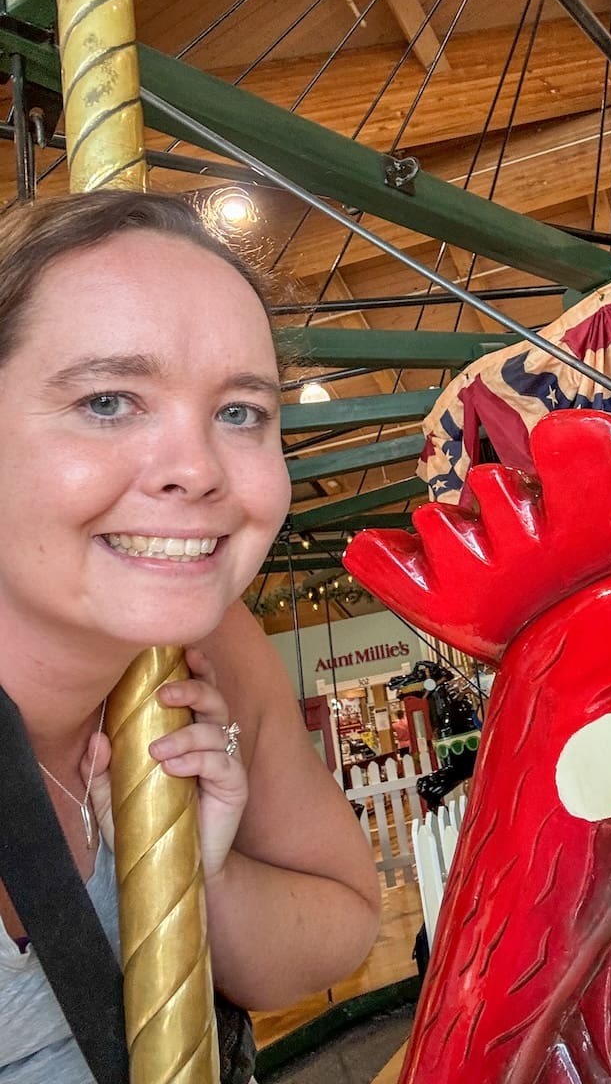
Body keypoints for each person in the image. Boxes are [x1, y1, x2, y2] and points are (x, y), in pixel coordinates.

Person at [0, 190, 381, 1081]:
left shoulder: (208, 646)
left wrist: (194, 877)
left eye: (241, 412)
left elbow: (345, 923)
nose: (198, 471)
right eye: (107, 401)